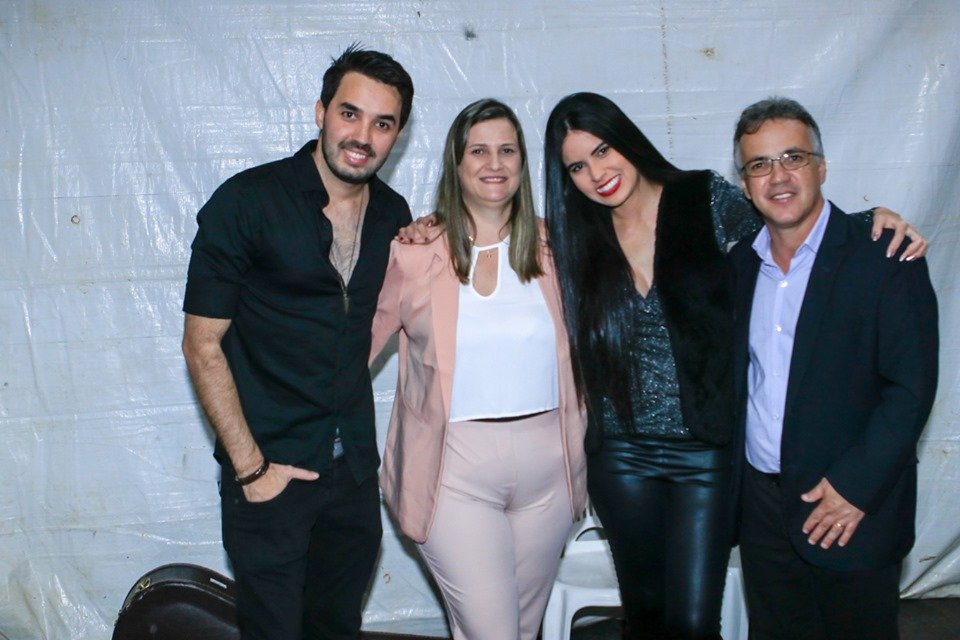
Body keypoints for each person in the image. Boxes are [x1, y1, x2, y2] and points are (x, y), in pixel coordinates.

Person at [541, 92, 925, 640]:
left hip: (707, 453)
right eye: (577, 166)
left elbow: (790, 218)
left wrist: (870, 220)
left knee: (695, 621)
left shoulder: (703, 198)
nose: (597, 173)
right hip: (620, 456)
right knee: (645, 615)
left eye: (603, 150)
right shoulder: (571, 237)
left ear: (628, 141)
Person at [181, 45, 414, 640]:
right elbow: (202, 344)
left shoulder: (393, 216)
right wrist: (250, 469)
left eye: (383, 123)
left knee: (336, 628)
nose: (362, 136)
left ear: (398, 135)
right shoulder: (247, 202)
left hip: (352, 475)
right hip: (270, 471)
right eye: (350, 113)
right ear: (320, 112)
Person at [370, 98, 586, 640]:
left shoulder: (561, 248)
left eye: (507, 150)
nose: (495, 163)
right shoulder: (415, 254)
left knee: (521, 630)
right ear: (457, 163)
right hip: (454, 472)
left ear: (522, 163)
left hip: (551, 471)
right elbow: (352, 353)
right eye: (479, 151)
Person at [728, 97, 938, 640]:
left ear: (821, 167)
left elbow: (910, 389)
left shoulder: (885, 255)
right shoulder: (739, 265)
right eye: (759, 164)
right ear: (745, 184)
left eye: (793, 157)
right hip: (763, 511)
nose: (778, 177)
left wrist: (856, 489)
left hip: (850, 507)